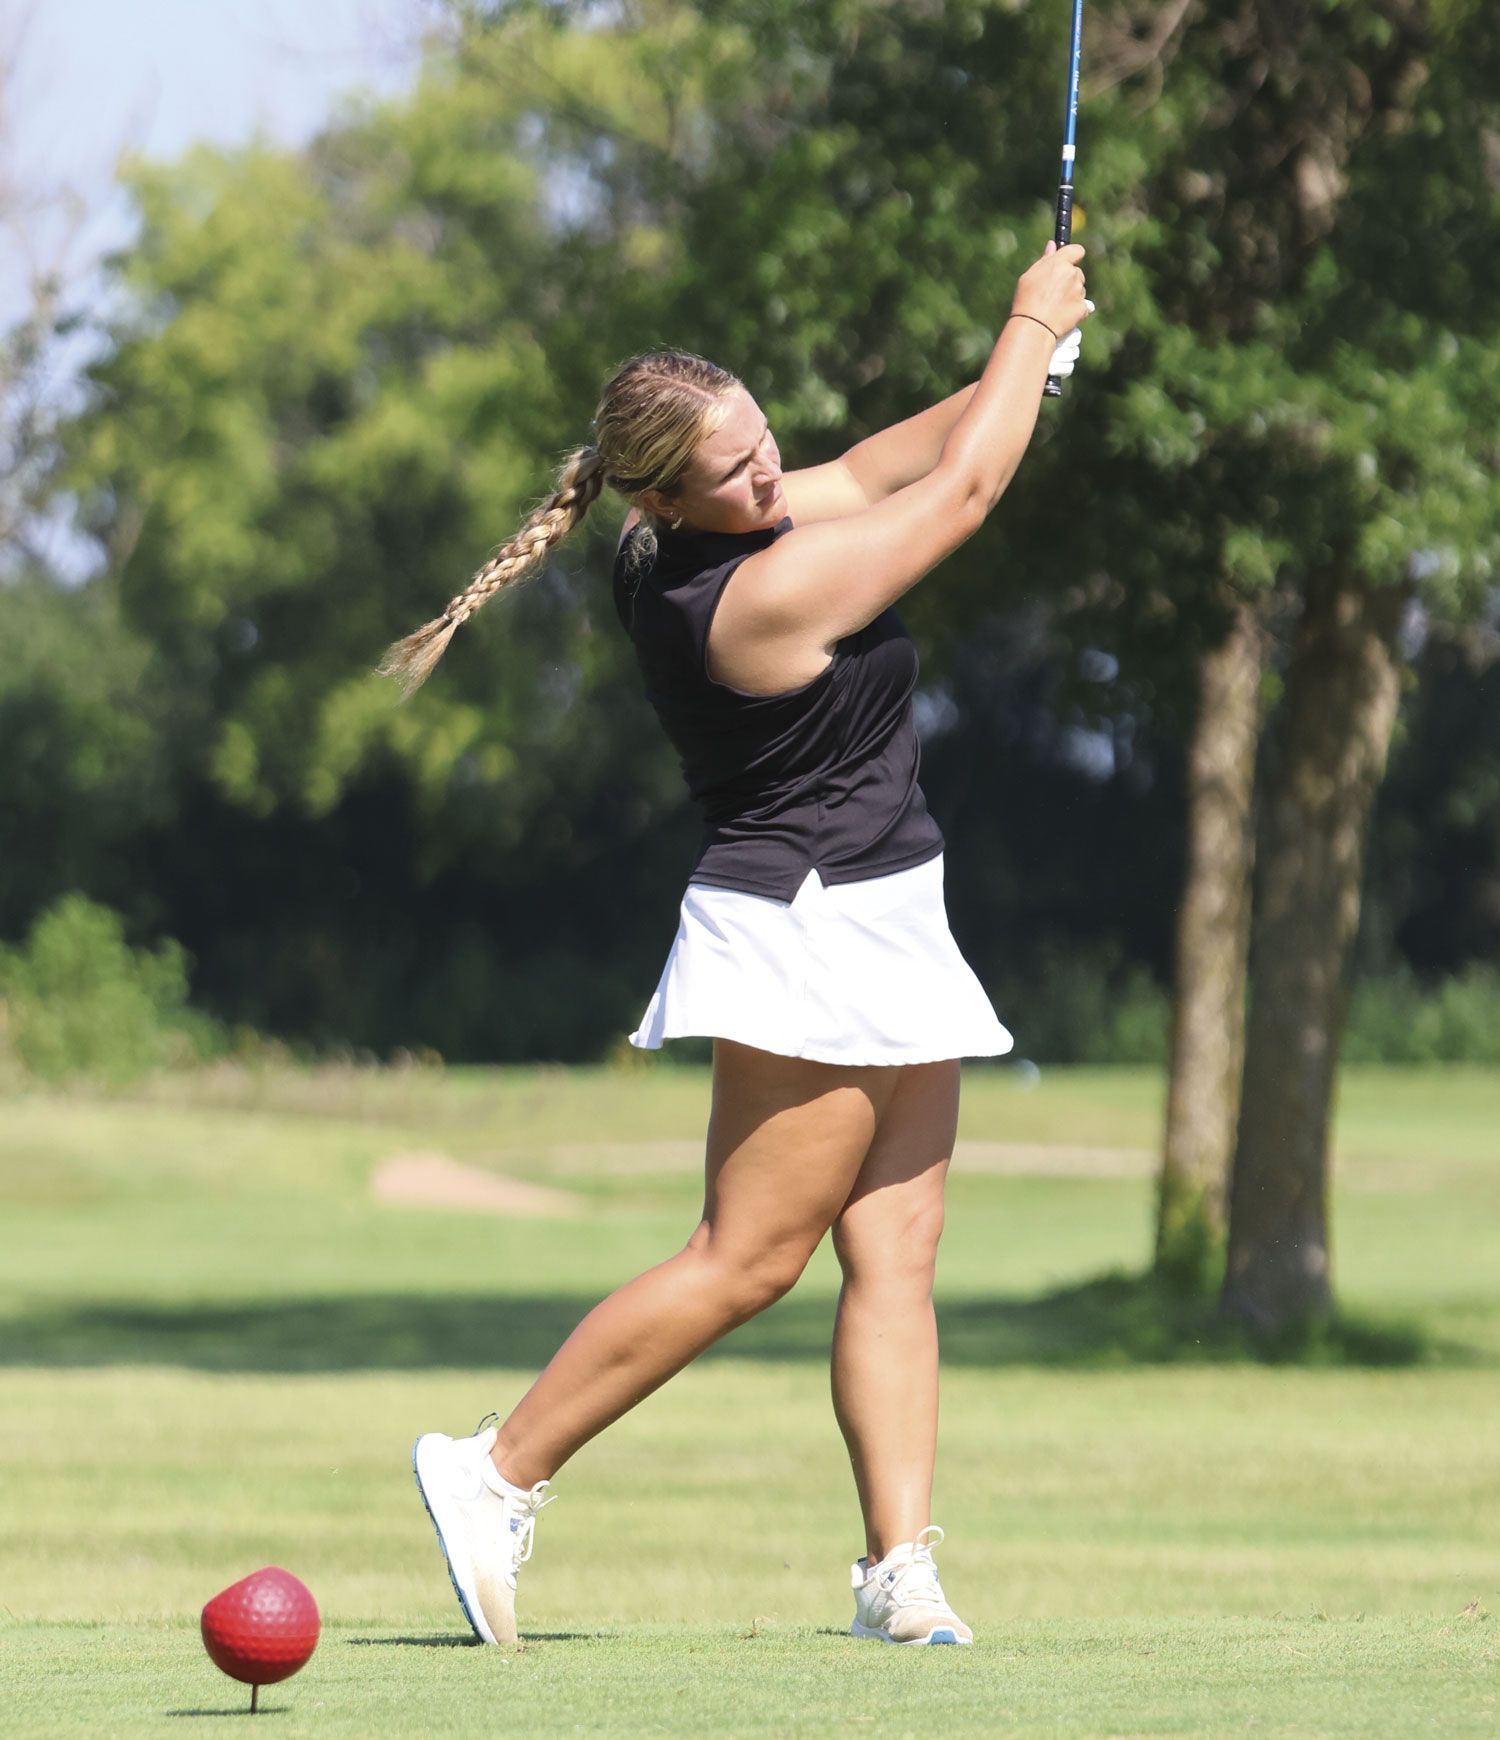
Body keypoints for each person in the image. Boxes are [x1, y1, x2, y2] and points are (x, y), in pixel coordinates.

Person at [380, 240, 1092, 1648]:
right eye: (740, 470)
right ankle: (495, 1469)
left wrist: (1027, 364)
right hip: (804, 926)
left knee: (898, 1252)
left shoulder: (711, 527)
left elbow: (888, 462)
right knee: (748, 1258)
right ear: (662, 499)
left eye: (767, 441)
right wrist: (1023, 318)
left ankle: (899, 1572)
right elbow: (963, 490)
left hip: (888, 904)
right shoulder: (745, 596)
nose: (773, 474)